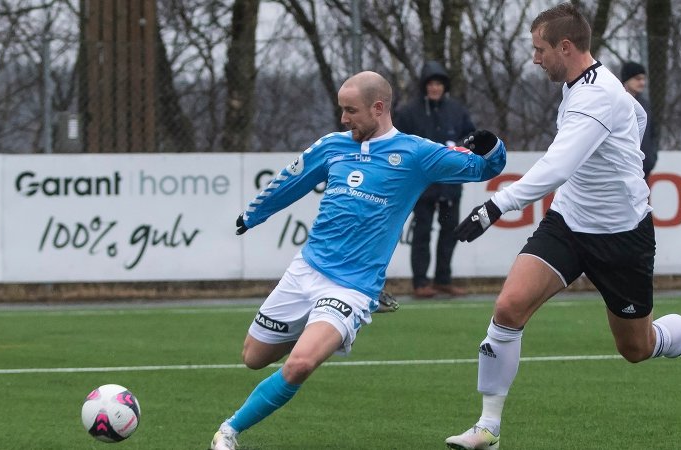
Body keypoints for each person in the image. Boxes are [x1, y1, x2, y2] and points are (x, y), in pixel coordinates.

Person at [444, 4, 681, 450]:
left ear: (565, 47)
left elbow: (558, 165)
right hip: (568, 223)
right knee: (508, 307)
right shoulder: (582, 86)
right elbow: (636, 119)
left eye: (540, 49)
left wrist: (496, 205)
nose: (535, 58)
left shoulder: (597, 96)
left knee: (637, 348)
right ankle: (488, 427)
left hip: (622, 236)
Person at [210, 71, 507, 450]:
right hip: (305, 270)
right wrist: (252, 215)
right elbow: (292, 180)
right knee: (253, 357)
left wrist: (491, 146)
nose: (343, 118)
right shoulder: (332, 146)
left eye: (351, 110)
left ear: (378, 108)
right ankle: (322, 325)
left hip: (353, 287)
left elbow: (485, 168)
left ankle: (228, 431)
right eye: (342, 110)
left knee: (300, 364)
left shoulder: (416, 154)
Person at [394, 61, 476, 298]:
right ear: (424, 86)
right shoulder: (409, 112)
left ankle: (443, 280)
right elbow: (398, 142)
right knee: (422, 231)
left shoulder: (457, 110)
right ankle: (420, 283)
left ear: (444, 86)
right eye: (431, 84)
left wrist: (458, 146)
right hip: (422, 185)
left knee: (450, 230)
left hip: (450, 183)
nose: (435, 88)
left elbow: (471, 135)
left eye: (439, 84)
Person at [621, 61, 659, 182]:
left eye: (643, 79)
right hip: (622, 172)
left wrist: (651, 159)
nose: (642, 83)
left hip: (643, 172)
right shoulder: (617, 103)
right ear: (627, 79)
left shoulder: (645, 105)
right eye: (638, 79)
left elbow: (653, 134)